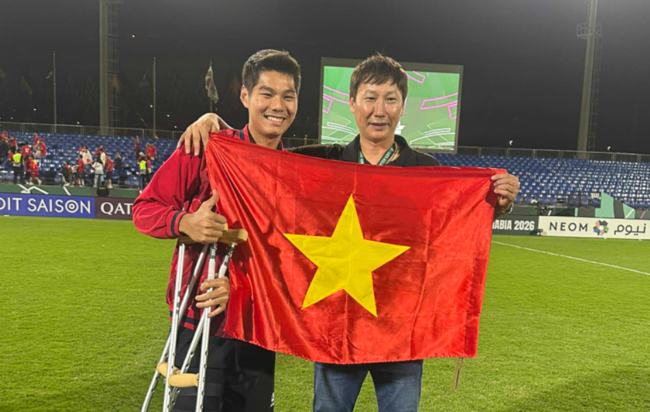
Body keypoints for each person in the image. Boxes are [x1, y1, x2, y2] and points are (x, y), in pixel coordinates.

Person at [178, 53, 520, 412]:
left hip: (401, 331)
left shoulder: (426, 170)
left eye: (390, 99)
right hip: (336, 330)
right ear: (353, 103)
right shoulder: (322, 161)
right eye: (370, 98)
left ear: (403, 106)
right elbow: (262, 166)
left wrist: (498, 202)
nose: (379, 110)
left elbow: (451, 233)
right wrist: (214, 123)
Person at [133, 49, 301, 412]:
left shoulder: (296, 173)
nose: (278, 105)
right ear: (245, 96)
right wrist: (185, 223)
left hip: (258, 325)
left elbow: (292, 258)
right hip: (199, 320)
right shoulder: (207, 147)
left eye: (288, 96)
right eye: (267, 94)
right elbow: (145, 209)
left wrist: (241, 288)